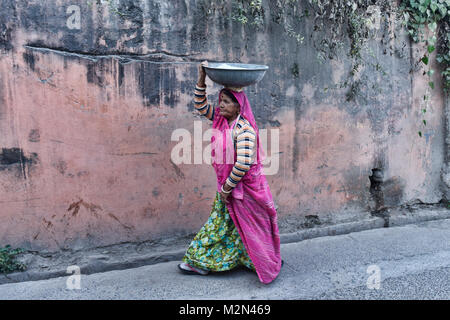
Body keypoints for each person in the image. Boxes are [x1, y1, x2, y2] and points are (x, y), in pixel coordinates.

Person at [177, 61, 282, 284]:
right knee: (228, 225)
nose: (221, 105)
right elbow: (201, 106)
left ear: (238, 106)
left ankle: (260, 260)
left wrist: (225, 189)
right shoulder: (223, 121)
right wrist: (201, 79)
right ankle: (247, 259)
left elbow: (243, 164)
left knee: (250, 225)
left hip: (246, 190)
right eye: (221, 101)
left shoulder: (244, 130)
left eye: (226, 102)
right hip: (230, 188)